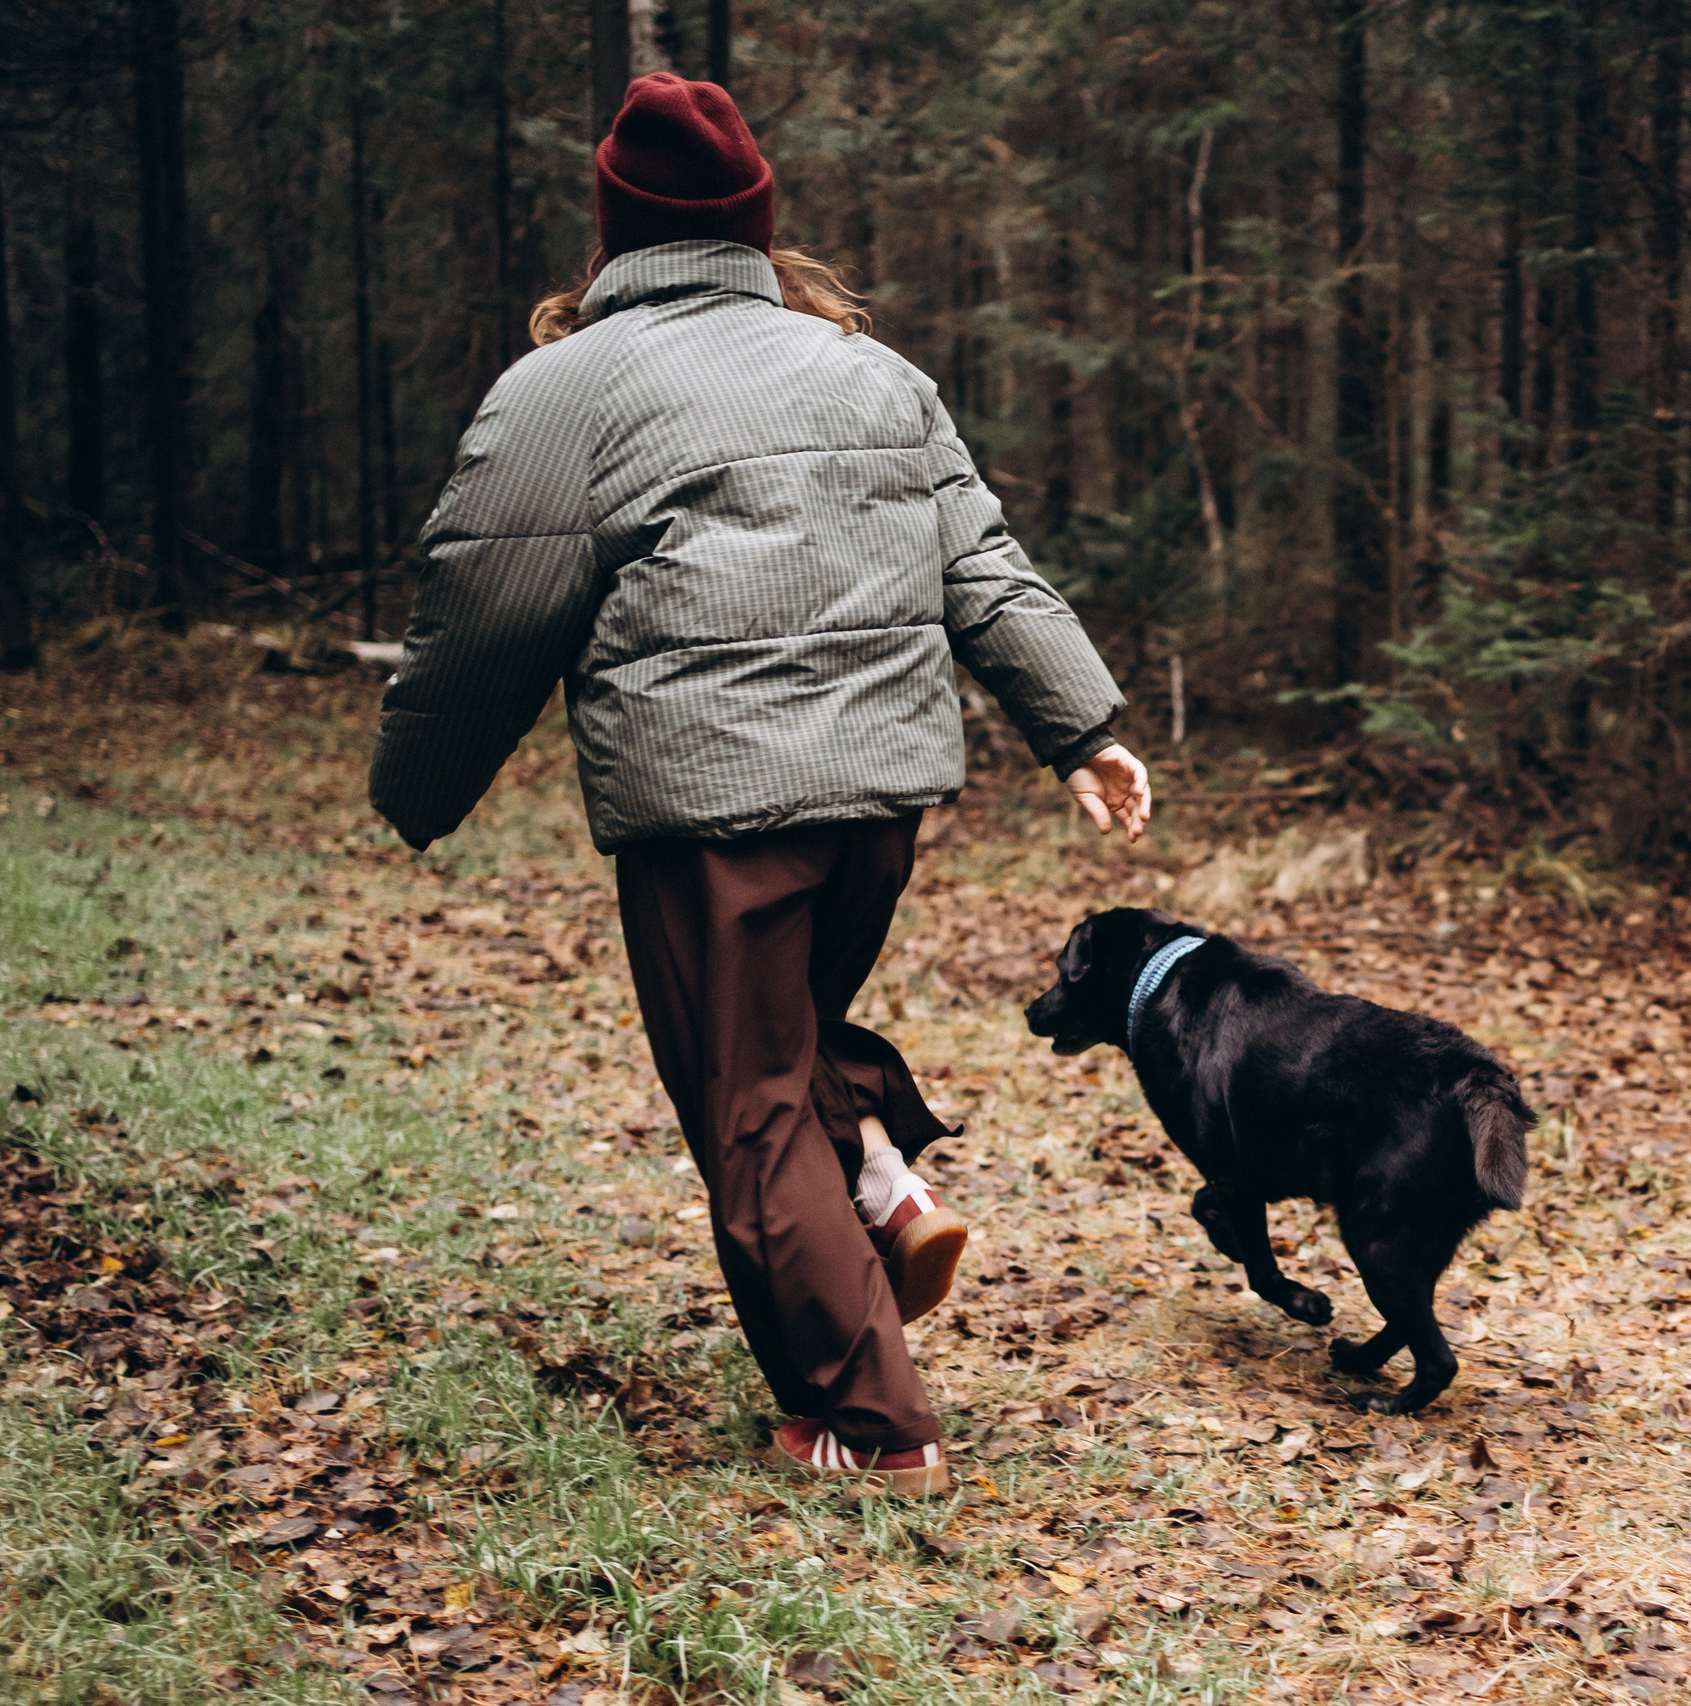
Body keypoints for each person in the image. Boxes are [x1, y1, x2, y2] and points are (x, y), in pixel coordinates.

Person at [368, 72, 1150, 1497]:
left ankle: (874, 1419)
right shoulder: (868, 369)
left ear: (615, 225)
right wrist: (1081, 723)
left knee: (748, 1106)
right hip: (880, 808)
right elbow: (982, 563)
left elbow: (482, 608)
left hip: (710, 809)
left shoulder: (566, 391)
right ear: (751, 221)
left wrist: (418, 783)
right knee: (784, 1050)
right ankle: (880, 1183)